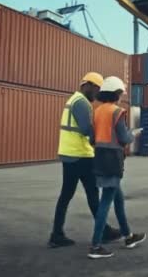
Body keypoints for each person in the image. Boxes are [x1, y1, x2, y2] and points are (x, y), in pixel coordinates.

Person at [49, 72, 122, 248]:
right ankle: (103, 232)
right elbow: (86, 130)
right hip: (80, 156)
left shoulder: (74, 100)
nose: (97, 94)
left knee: (67, 195)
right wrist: (105, 142)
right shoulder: (81, 102)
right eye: (96, 89)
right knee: (92, 195)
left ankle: (57, 234)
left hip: (71, 154)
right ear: (87, 85)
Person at [88, 76, 146, 259]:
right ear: (116, 93)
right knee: (106, 202)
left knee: (118, 199)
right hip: (113, 160)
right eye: (121, 93)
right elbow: (124, 138)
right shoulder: (117, 112)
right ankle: (95, 246)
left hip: (99, 158)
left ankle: (128, 236)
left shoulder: (96, 112)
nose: (121, 96)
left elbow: (91, 138)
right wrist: (134, 134)